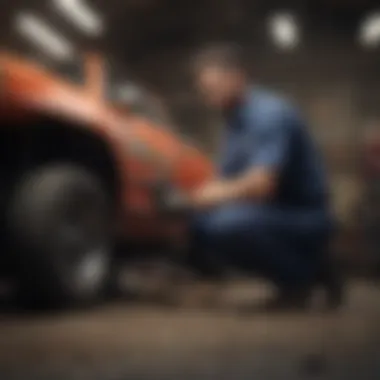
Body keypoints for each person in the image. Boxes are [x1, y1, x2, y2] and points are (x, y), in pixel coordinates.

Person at [186, 43, 343, 310]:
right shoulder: (234, 124)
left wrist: (211, 195)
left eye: (213, 88)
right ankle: (297, 274)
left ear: (237, 78)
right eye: (204, 91)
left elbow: (261, 185)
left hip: (303, 213)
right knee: (200, 225)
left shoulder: (268, 113)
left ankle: (307, 274)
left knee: (226, 226)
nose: (208, 97)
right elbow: (226, 180)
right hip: (271, 213)